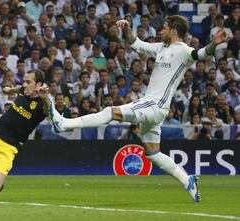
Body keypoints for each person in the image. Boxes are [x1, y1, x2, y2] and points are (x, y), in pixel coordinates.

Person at [49, 15, 227, 203]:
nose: (160, 31)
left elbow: (201, 54)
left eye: (164, 28)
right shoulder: (161, 47)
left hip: (154, 104)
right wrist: (126, 28)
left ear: (174, 31)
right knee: (153, 154)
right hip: (154, 108)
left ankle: (65, 123)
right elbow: (136, 43)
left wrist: (214, 44)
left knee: (110, 112)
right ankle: (187, 180)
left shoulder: (184, 51)